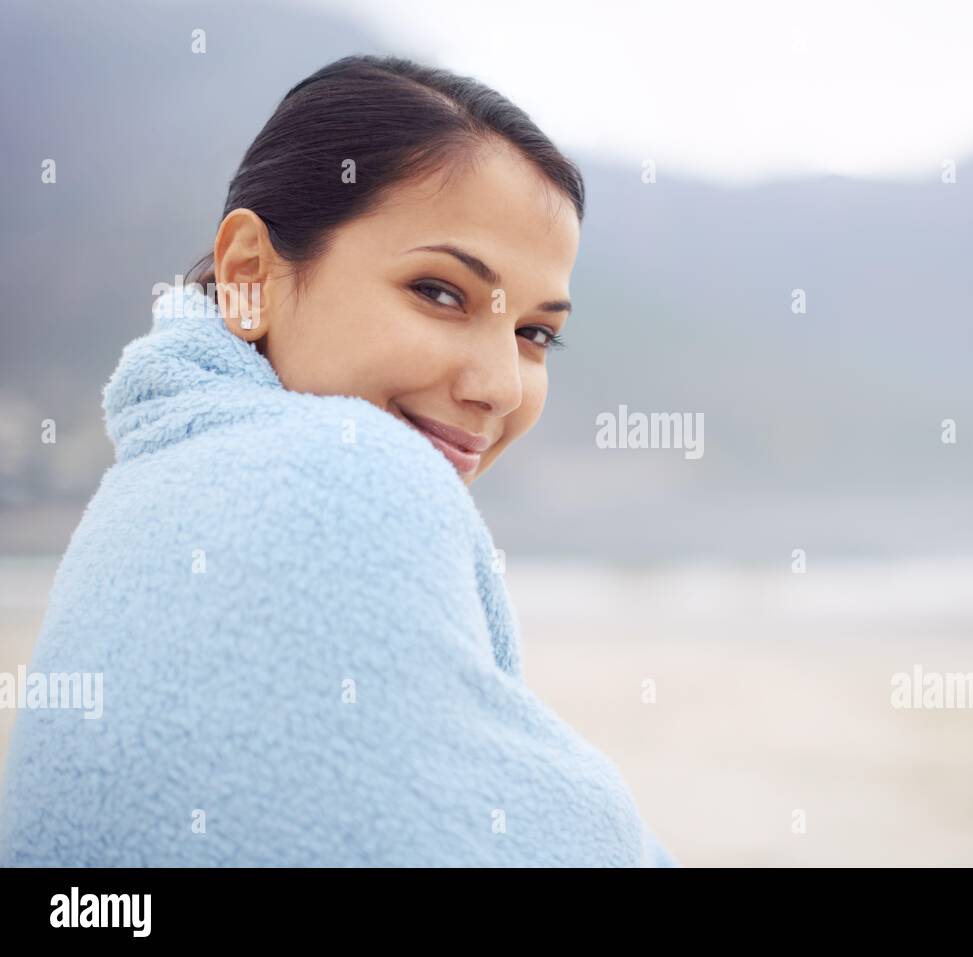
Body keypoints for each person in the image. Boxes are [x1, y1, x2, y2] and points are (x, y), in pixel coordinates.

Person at [0, 54, 677, 867]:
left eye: (534, 333)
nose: (500, 386)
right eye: (439, 291)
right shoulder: (351, 475)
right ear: (249, 274)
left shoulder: (142, 497)